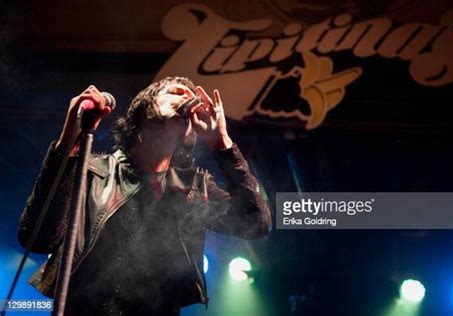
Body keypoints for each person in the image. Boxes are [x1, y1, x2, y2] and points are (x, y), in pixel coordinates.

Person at [17, 77, 272, 315]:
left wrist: (221, 143)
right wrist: (69, 143)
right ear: (141, 113)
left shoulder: (192, 188)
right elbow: (37, 237)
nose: (186, 95)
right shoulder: (92, 172)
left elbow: (256, 222)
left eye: (189, 94)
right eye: (174, 91)